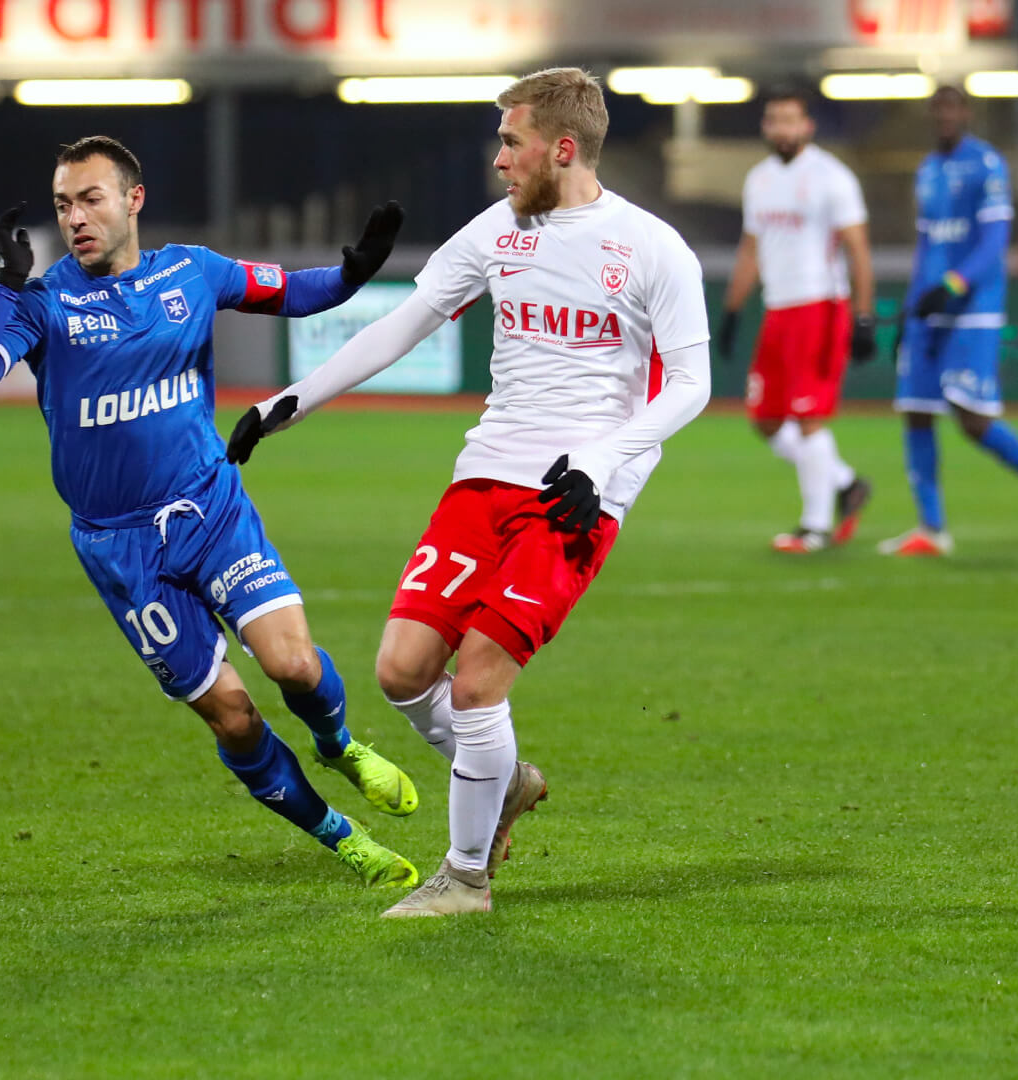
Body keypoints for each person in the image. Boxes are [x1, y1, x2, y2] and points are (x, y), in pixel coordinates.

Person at [227, 69, 711, 917]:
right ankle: (506, 780)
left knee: (481, 683)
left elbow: (691, 386)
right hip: (484, 477)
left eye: (511, 142)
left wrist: (602, 463)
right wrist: (286, 405)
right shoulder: (498, 232)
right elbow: (400, 324)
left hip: (573, 496)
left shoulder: (651, 249)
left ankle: (465, 878)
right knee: (403, 671)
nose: (498, 161)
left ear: (562, 149)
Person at [0, 135, 423, 889]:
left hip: (210, 508)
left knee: (292, 663)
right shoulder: (45, 304)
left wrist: (356, 272)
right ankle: (340, 835)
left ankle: (339, 745)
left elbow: (292, 292)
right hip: (122, 550)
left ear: (133, 199)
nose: (76, 218)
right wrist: (7, 285)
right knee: (233, 718)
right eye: (64, 204)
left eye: (91, 199)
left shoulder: (191, 272)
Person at [879, 85, 1018, 556]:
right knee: (915, 409)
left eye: (953, 109)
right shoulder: (928, 171)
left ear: (966, 113)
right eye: (938, 110)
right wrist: (912, 310)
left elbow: (994, 244)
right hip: (931, 307)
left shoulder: (987, 165)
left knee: (971, 418)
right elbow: (927, 246)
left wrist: (951, 286)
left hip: (972, 307)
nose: (945, 117)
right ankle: (932, 529)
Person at [716, 85, 875, 554]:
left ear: (808, 126)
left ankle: (816, 525)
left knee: (808, 418)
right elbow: (751, 250)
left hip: (820, 306)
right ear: (766, 127)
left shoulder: (831, 176)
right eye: (774, 120)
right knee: (765, 419)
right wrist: (731, 311)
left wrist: (863, 317)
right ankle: (845, 483)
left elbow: (858, 249)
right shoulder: (759, 179)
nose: (782, 129)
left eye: (791, 120)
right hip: (778, 309)